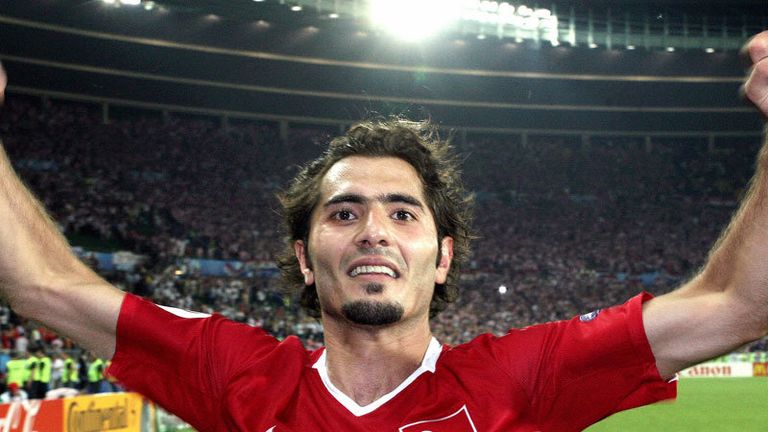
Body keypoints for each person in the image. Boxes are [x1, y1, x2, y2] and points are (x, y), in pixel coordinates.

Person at [0, 32, 767, 431]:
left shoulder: (521, 379)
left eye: (403, 212)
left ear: (443, 257)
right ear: (305, 258)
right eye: (344, 212)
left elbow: (737, 303)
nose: (373, 230)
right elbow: (41, 285)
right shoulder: (236, 377)